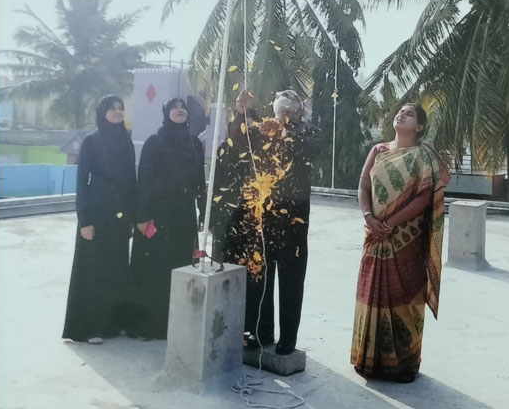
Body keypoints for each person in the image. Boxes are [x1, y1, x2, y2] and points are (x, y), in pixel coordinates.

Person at [210, 88, 321, 355]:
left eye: (289, 107)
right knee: (262, 277)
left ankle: (288, 338)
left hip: (294, 218)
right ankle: (262, 332)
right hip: (264, 215)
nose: (283, 111)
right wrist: (241, 112)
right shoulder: (263, 129)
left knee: (291, 279)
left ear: (298, 110)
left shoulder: (308, 131)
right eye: (279, 106)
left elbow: (310, 152)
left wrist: (284, 131)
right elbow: (237, 141)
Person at [350, 103, 450, 382]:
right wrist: (369, 218)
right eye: (400, 111)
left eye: (409, 114)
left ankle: (404, 364)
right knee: (372, 291)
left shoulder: (423, 155)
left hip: (407, 239)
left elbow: (424, 196)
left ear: (419, 127)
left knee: (405, 297)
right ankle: (369, 359)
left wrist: (391, 223)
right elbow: (363, 186)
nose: (401, 114)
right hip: (374, 235)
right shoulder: (378, 150)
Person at [61, 95, 136, 344]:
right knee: (93, 270)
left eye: (120, 108)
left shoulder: (126, 142)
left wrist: (131, 217)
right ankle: (89, 327)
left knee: (116, 268)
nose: (117, 111)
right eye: (112, 108)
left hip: (119, 216)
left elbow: (131, 181)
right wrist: (85, 220)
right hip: (96, 214)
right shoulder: (91, 142)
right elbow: (82, 181)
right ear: (102, 112)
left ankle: (112, 324)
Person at [131, 97, 208, 340]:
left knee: (182, 265)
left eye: (182, 107)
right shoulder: (155, 142)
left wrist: (203, 210)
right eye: (174, 107)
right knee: (155, 268)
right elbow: (144, 180)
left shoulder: (194, 143)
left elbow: (200, 180)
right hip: (158, 214)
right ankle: (148, 326)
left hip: (184, 215)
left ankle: (177, 323)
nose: (179, 110)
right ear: (166, 113)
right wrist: (142, 217)